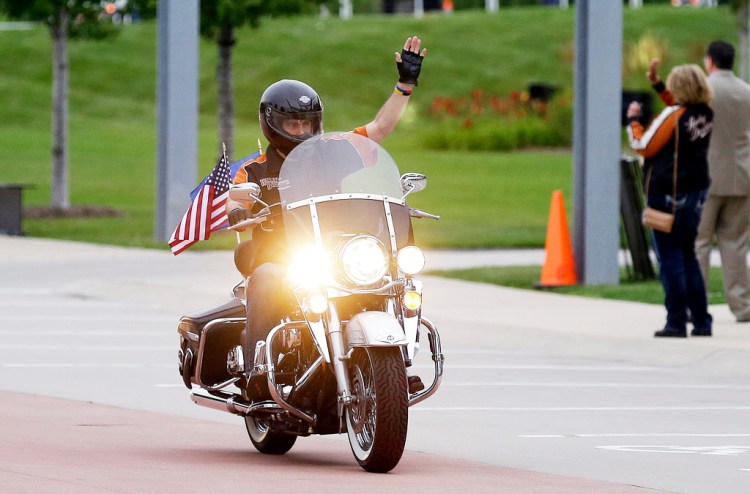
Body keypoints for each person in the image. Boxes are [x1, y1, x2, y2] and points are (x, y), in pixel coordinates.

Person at [225, 36, 427, 399]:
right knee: (267, 277)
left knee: (392, 278)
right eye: (292, 124)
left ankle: (396, 368)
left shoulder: (337, 149)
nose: (301, 130)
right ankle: (259, 368)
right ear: (272, 123)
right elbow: (232, 200)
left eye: (307, 122)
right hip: (286, 258)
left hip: (337, 251)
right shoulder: (254, 170)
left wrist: (404, 86)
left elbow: (378, 131)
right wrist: (239, 209)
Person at [627, 64, 714, 338]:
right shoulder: (704, 113)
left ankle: (676, 320)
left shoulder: (673, 115)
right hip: (695, 191)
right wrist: (658, 85)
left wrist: (633, 122)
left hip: (667, 193)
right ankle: (702, 320)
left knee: (671, 258)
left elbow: (644, 145)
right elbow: (677, 109)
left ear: (680, 89)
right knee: (689, 255)